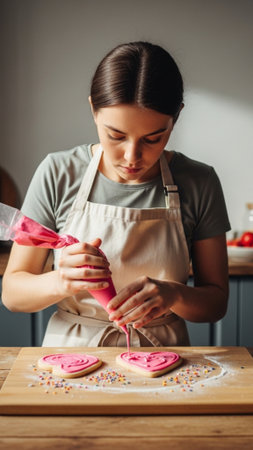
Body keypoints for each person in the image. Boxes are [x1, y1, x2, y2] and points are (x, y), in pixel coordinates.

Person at [2, 41, 231, 347]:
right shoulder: (58, 172)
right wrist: (61, 280)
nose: (132, 156)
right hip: (72, 356)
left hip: (164, 360)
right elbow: (13, 294)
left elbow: (216, 303)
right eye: (116, 136)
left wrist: (174, 294)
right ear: (93, 110)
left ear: (176, 117)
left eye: (153, 138)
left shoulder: (199, 181)